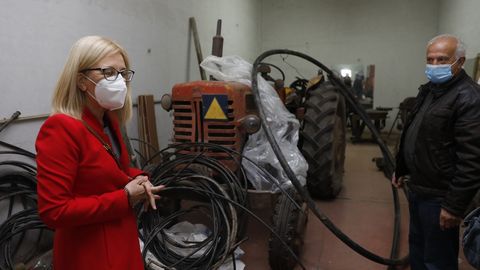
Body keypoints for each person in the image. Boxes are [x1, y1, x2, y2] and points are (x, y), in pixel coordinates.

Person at [36, 36, 164, 270]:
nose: (120, 82)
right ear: (81, 81)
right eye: (108, 72)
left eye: (123, 73)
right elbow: (54, 211)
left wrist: (138, 178)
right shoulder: (61, 128)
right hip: (90, 253)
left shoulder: (108, 120)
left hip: (121, 240)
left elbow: (111, 172)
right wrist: (124, 197)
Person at [392, 34, 480, 269]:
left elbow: (472, 160)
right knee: (419, 251)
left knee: (437, 260)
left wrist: (453, 206)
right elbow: (416, 132)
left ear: (460, 62)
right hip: (419, 188)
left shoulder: (469, 97)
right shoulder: (430, 90)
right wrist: (401, 167)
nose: (434, 66)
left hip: (440, 196)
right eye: (430, 60)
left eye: (442, 60)